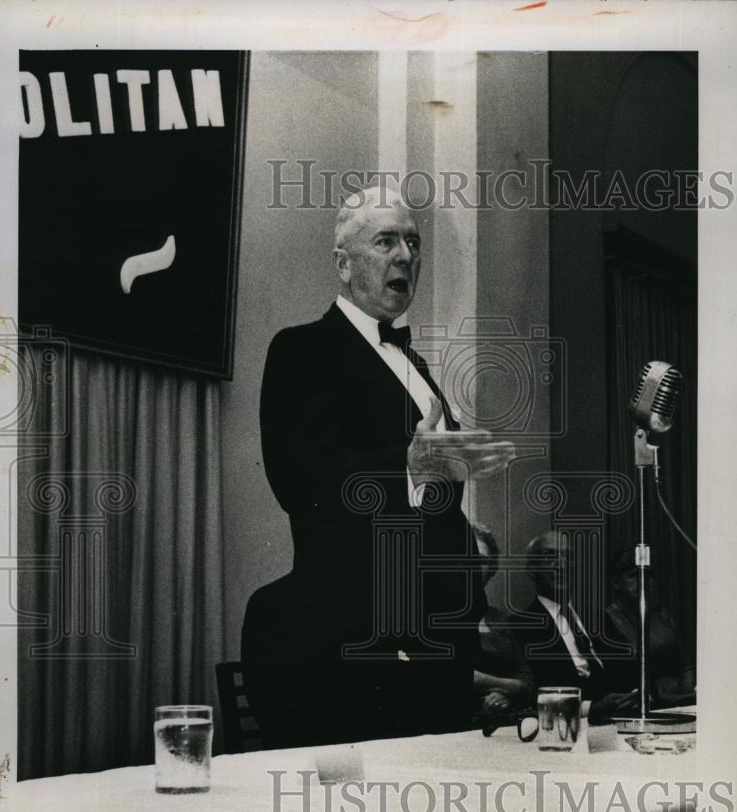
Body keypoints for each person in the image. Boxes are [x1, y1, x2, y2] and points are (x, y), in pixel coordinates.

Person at [242, 186, 515, 748]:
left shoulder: (414, 365)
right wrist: (406, 466)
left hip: (440, 642)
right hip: (359, 641)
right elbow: (299, 478)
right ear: (343, 264)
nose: (406, 257)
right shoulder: (303, 350)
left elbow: (432, 501)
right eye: (386, 241)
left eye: (413, 243)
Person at [511, 530, 638, 723]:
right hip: (567, 725)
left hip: (621, 719)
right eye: (550, 556)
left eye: (568, 557)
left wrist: (635, 695)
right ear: (531, 569)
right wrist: (591, 708)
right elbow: (533, 692)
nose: (561, 565)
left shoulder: (597, 617)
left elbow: (630, 667)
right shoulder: (520, 626)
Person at [605, 548, 696, 708]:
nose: (643, 580)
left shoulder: (663, 616)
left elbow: (686, 666)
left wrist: (684, 694)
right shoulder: (607, 621)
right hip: (637, 706)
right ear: (616, 582)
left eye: (649, 575)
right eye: (634, 575)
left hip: (680, 702)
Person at [469, 524, 535, 725]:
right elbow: (451, 675)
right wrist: (509, 687)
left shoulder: (498, 619)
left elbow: (527, 679)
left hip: (501, 722)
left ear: (492, 569)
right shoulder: (431, 618)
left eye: (480, 560)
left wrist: (505, 695)